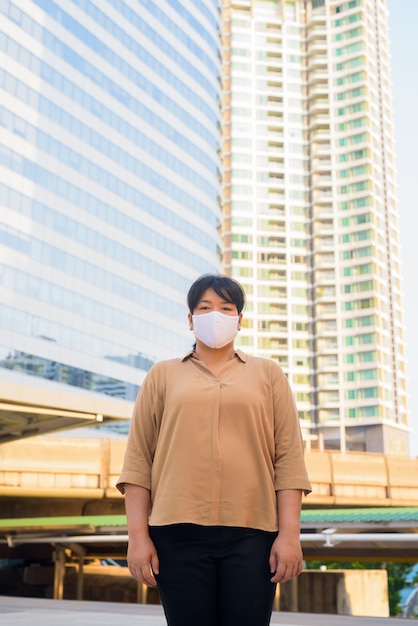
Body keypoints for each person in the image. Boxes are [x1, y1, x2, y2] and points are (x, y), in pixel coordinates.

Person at [116, 274, 311, 626]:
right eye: (204, 308)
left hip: (254, 534)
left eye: (226, 308)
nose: (215, 315)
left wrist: (289, 535)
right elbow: (138, 460)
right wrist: (138, 538)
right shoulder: (162, 376)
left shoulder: (269, 375)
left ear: (239, 319)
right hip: (176, 533)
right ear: (190, 320)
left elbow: (289, 459)